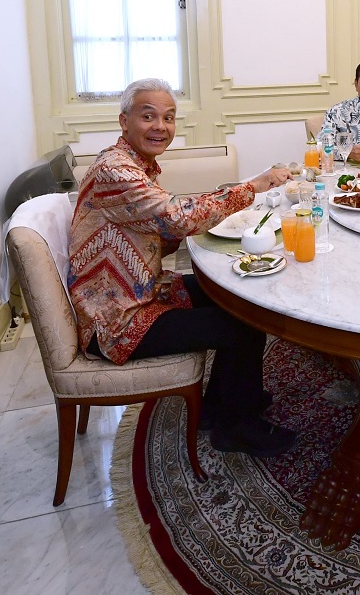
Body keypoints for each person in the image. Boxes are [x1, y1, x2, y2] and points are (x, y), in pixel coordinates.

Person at [68, 78, 296, 458]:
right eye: (149, 116)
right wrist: (251, 187)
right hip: (115, 319)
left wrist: (200, 220)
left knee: (237, 293)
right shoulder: (115, 170)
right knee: (242, 322)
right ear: (124, 121)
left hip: (139, 291)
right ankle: (236, 428)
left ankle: (221, 405)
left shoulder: (133, 164)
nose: (161, 126)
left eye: (169, 118)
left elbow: (156, 230)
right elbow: (175, 218)